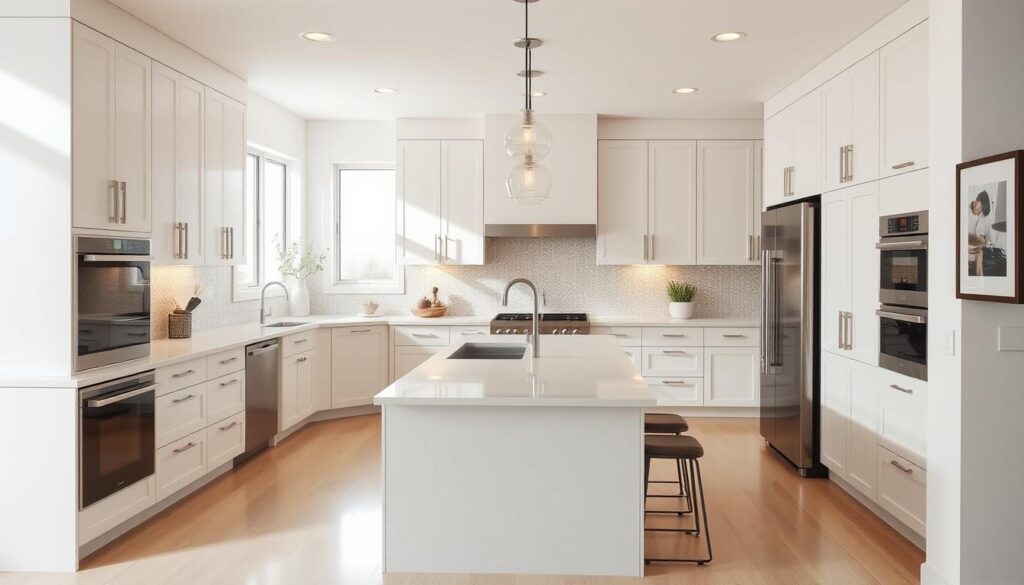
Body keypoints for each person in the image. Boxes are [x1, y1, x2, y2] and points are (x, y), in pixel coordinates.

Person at [967, 190, 1007, 277]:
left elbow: (989, 241)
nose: (975, 206)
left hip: (988, 250)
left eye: (978, 202)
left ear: (983, 204)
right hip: (978, 248)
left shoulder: (987, 219)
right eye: (975, 202)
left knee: (979, 252)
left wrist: (982, 241)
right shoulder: (976, 216)